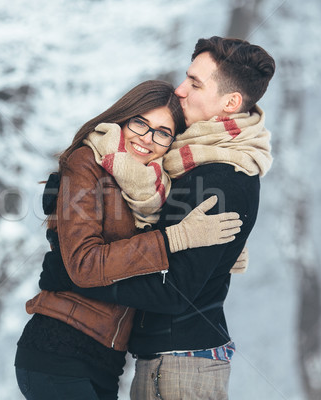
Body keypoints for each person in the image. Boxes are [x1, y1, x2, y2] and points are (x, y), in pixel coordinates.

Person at [39, 36, 276, 400]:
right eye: (186, 77)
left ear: (230, 102)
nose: (180, 90)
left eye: (195, 83)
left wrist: (75, 277)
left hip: (182, 361)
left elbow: (175, 291)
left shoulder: (222, 174)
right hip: (162, 360)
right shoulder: (183, 164)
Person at [14, 80, 244, 400]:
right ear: (123, 118)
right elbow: (85, 264)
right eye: (140, 123)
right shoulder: (87, 164)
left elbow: (147, 266)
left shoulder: (152, 190)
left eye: (163, 132)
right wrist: (176, 238)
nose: (147, 139)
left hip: (107, 362)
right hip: (58, 352)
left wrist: (217, 253)